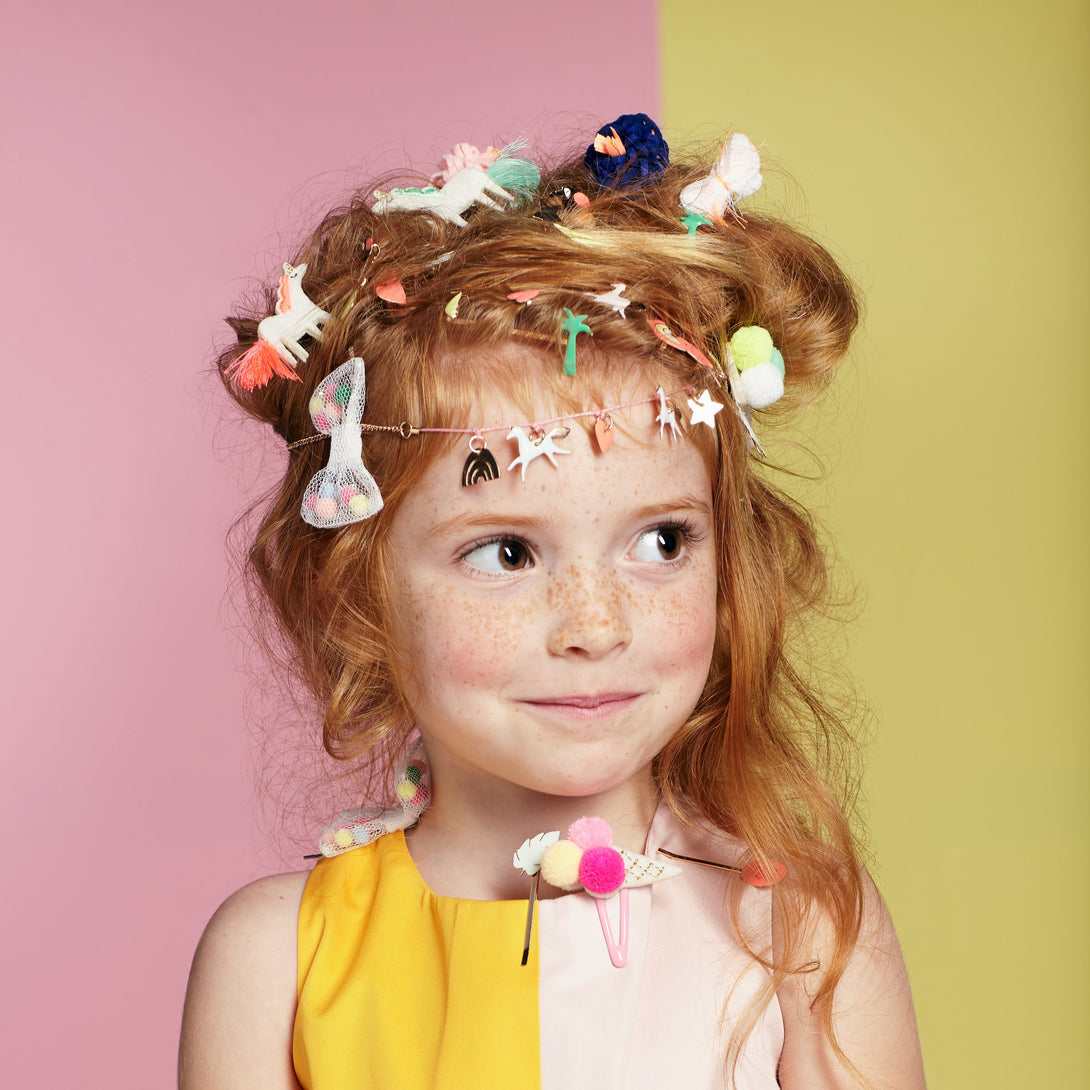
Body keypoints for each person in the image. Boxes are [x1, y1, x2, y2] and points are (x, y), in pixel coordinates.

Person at [179, 114, 926, 1089]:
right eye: (505, 550)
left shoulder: (800, 931)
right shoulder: (280, 957)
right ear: (358, 592)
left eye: (660, 541)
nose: (595, 626)